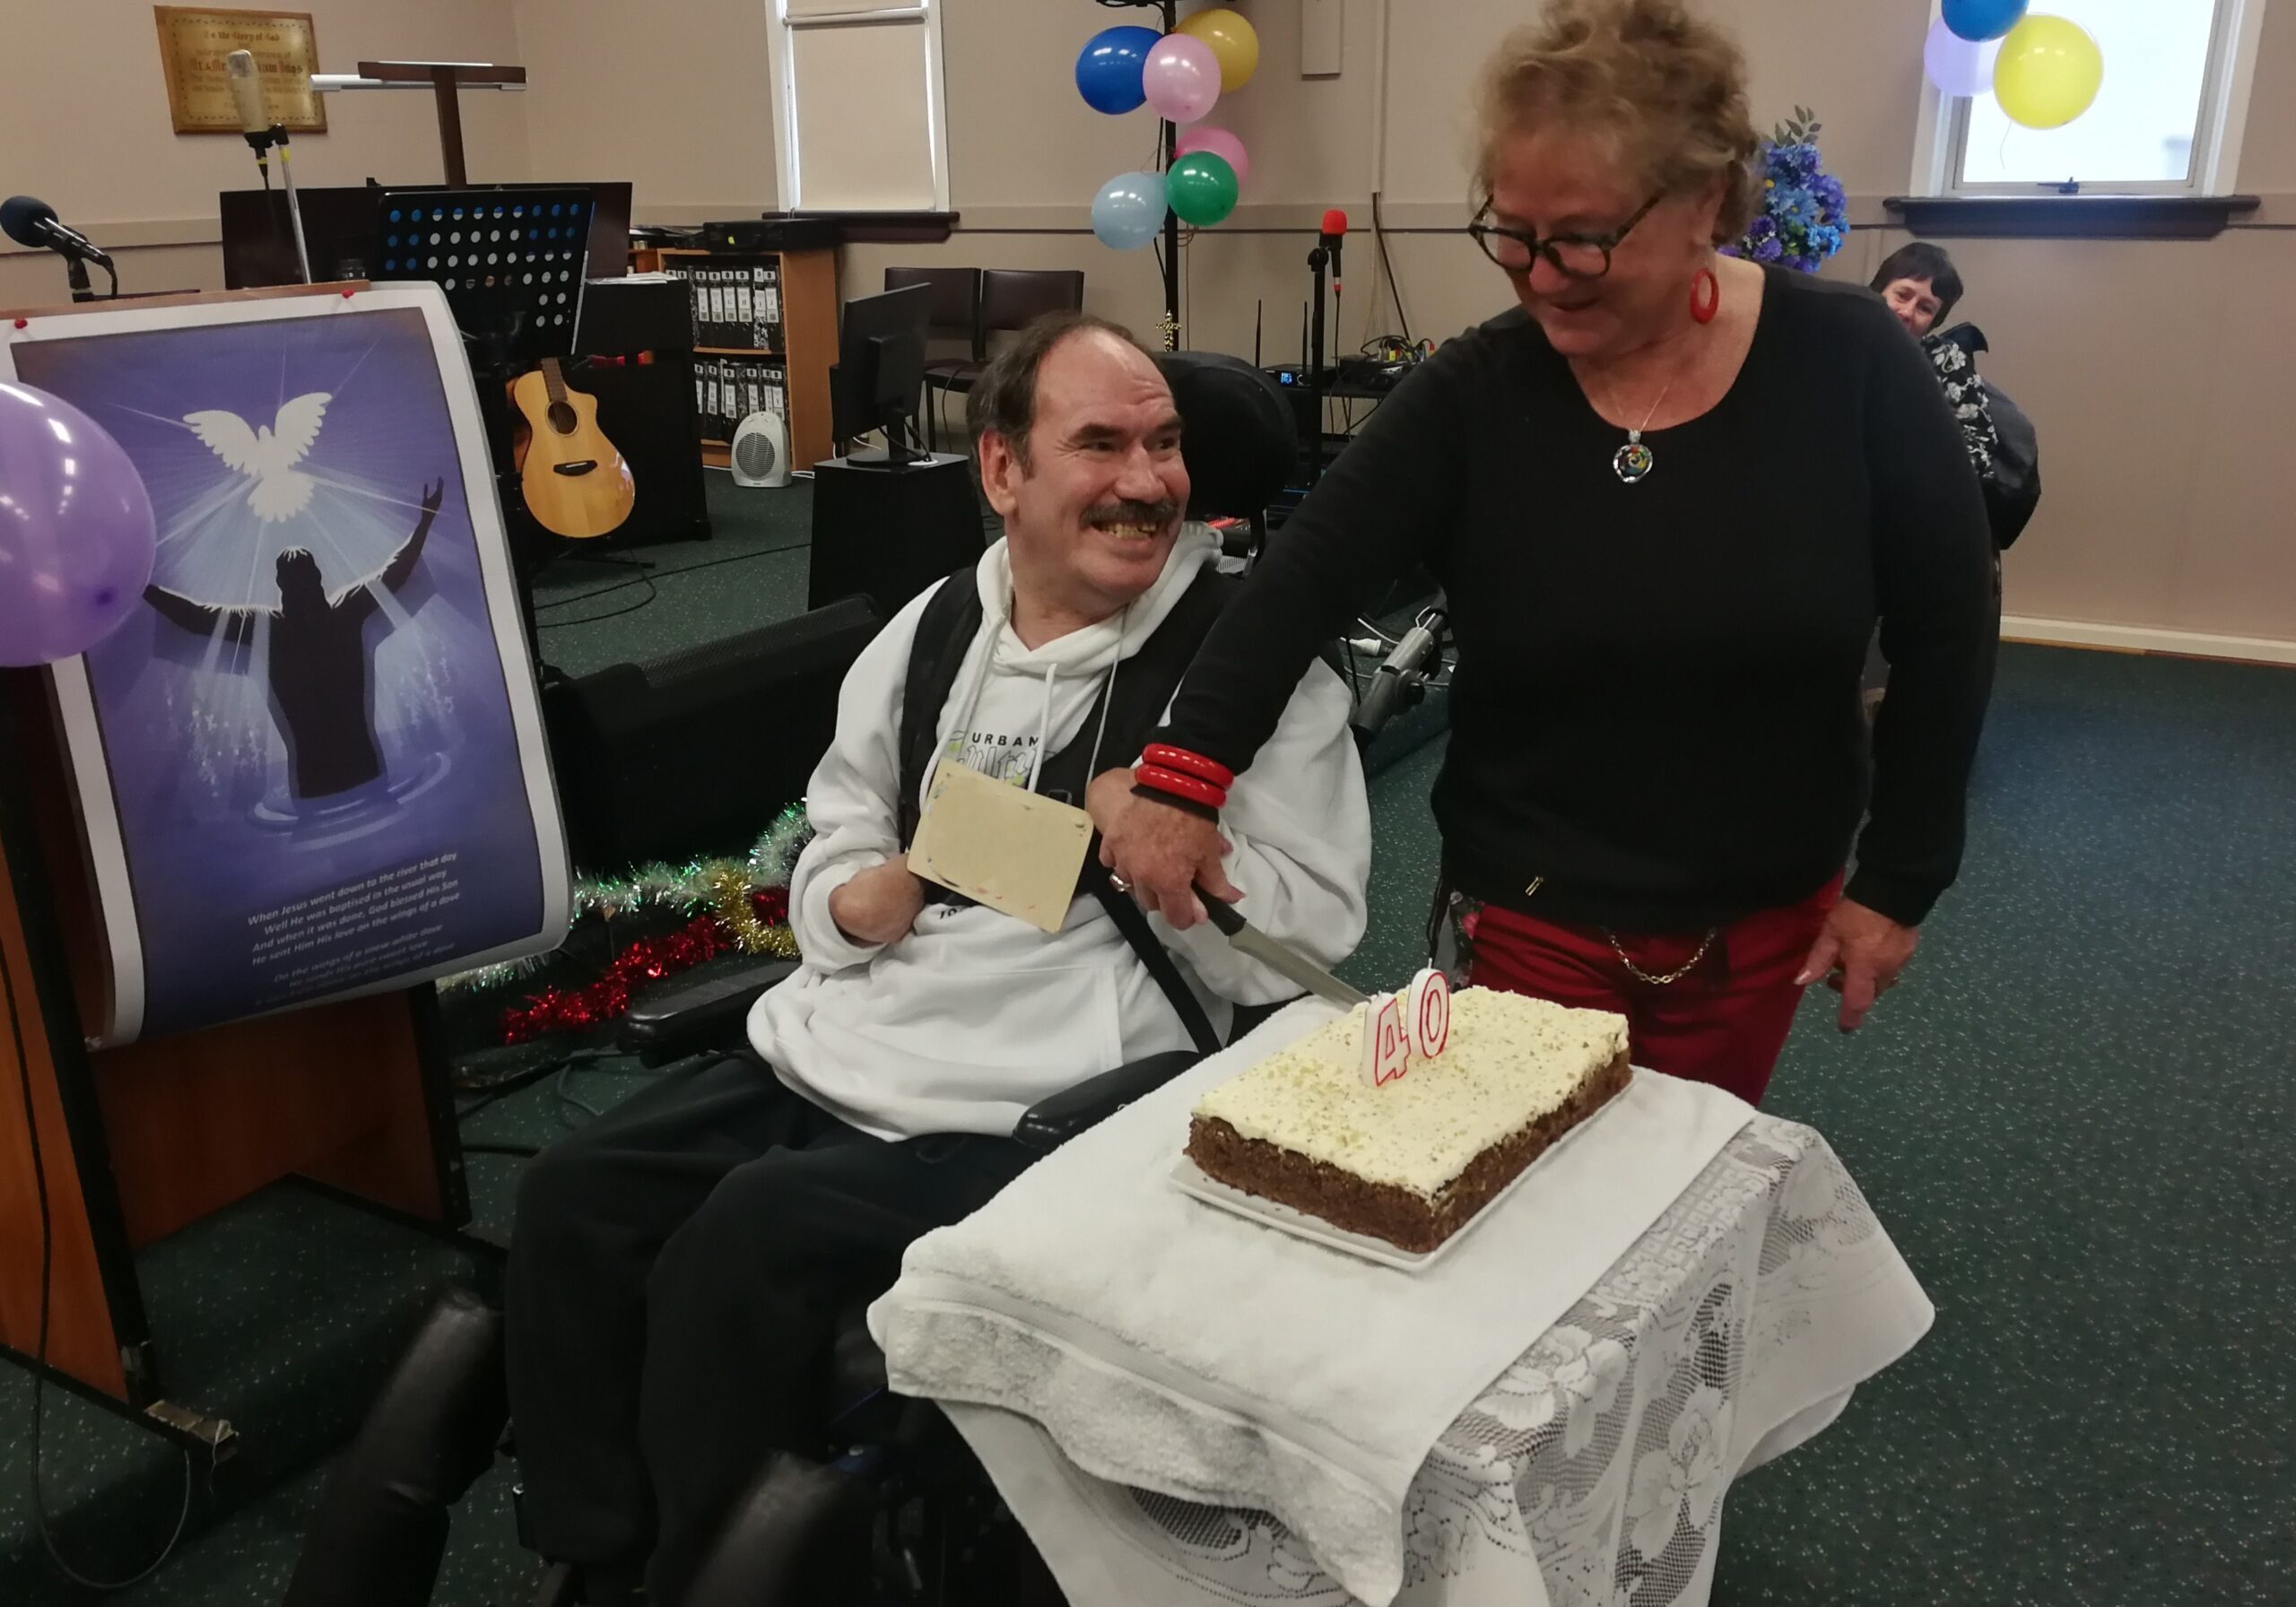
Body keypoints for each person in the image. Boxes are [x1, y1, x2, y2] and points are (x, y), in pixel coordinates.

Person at [505, 313, 1370, 1607]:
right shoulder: (925, 631)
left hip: (1046, 1087)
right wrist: (859, 900)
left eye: (1165, 444)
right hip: (859, 1026)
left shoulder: (1247, 671)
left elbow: (1313, 940)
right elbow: (848, 813)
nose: (1146, 482)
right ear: (1005, 473)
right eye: (1103, 444)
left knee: (739, 1250)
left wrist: (1194, 840)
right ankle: (599, 1550)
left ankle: (705, 1581)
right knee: (574, 1193)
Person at [1100, 0, 1997, 1107]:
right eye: (1511, 233)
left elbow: (1947, 629)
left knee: (1682, 1196)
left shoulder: (1849, 361)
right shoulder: (1476, 390)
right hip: (1526, 906)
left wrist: (1901, 880)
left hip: (1760, 915)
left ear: (1706, 201)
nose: (1539, 274)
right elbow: (1303, 578)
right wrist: (1183, 777)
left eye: (1582, 237)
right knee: (1508, 1201)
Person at [142, 480, 444, 798]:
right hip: (356, 767)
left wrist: (142, 587)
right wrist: (425, 521)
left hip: (319, 777)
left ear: (281, 585)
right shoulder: (342, 613)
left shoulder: (275, 627)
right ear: (317, 579)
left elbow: (197, 617)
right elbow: (394, 574)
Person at [1872, 239, 2041, 557]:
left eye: (1925, 308)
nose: (1908, 312)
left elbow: (1976, 455)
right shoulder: (1843, 344)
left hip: (1915, 518)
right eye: (1903, 295)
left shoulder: (1946, 361)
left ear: (1934, 322)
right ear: (1879, 290)